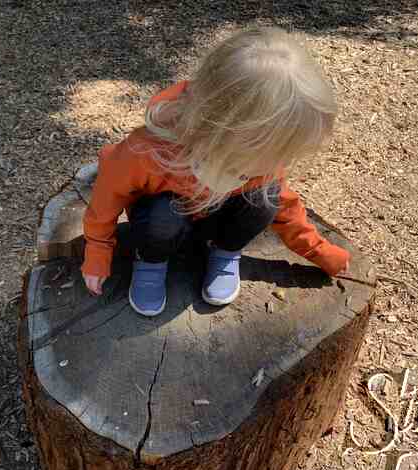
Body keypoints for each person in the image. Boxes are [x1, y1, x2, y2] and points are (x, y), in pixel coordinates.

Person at [81, 27, 350, 317]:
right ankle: (151, 261)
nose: (275, 166)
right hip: (162, 224)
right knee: (162, 215)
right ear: (222, 132)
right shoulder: (150, 150)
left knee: (266, 197)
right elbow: (108, 194)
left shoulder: (261, 159)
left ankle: (224, 251)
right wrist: (97, 251)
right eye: (270, 157)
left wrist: (318, 250)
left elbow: (284, 205)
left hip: (218, 220)